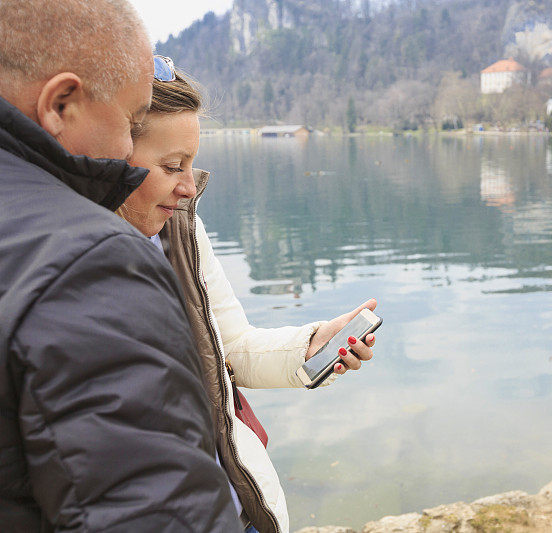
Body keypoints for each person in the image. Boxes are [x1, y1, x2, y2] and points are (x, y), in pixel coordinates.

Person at [0, 1, 242, 531]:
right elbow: (158, 510)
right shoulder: (90, 263)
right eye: (132, 125)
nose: (126, 154)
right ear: (60, 104)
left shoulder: (176, 234)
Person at [120, 59, 378, 533]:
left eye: (192, 164)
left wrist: (313, 343)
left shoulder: (182, 228)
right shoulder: (68, 258)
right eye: (172, 165)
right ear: (111, 150)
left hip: (238, 508)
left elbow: (229, 348)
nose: (188, 187)